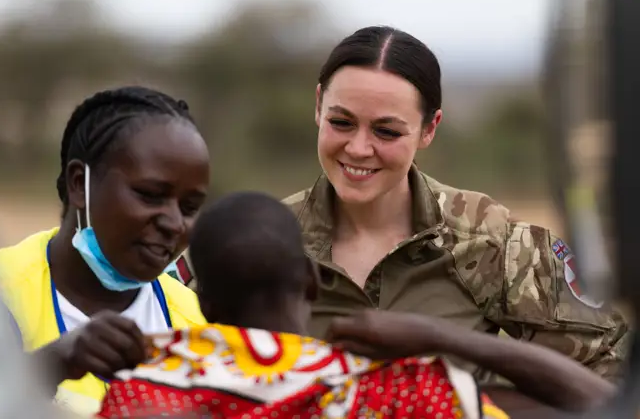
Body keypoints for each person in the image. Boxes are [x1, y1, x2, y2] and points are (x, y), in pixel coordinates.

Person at [172, 25, 629, 383]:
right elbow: (164, 347)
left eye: (387, 131)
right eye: (341, 122)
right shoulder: (257, 240)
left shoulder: (489, 240)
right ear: (317, 106)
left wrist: (476, 399)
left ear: (429, 129)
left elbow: (605, 368)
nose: (358, 148)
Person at [99, 192, 614, 419]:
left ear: (204, 303)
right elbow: (600, 402)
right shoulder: (398, 392)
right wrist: (439, 338)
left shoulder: (138, 392)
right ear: (309, 282)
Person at [0, 86, 210, 416]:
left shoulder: (197, 325)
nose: (174, 223)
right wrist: (51, 367)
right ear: (80, 184)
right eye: (149, 195)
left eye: (190, 207)